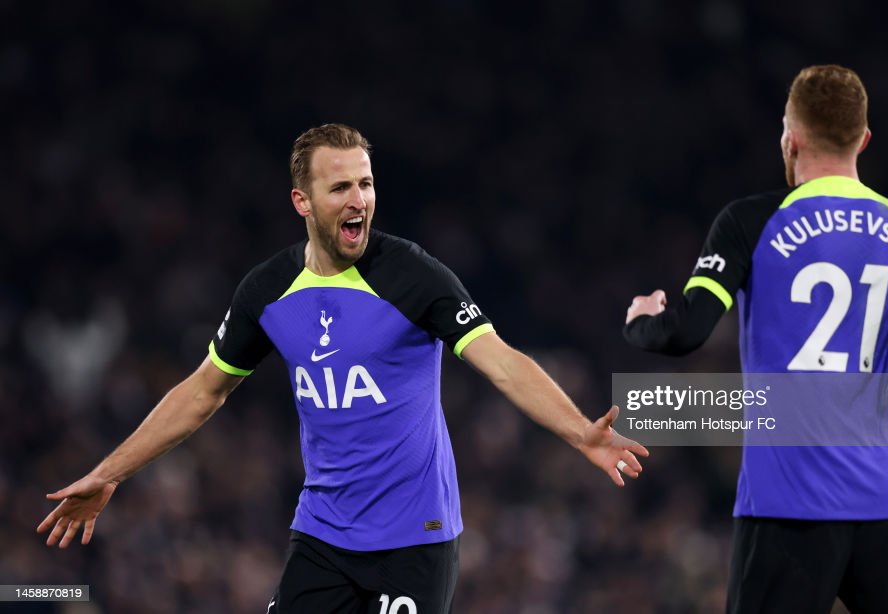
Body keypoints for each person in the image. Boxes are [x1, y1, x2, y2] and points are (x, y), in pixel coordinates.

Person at [38, 123, 650, 613]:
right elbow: (204, 391)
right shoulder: (269, 292)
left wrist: (579, 432)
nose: (360, 200)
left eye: (367, 183)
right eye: (341, 189)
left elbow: (503, 364)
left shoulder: (413, 276)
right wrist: (109, 474)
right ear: (302, 201)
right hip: (324, 535)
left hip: (417, 537)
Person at [624, 65, 888, 613]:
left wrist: (641, 321)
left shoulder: (751, 222)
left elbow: (684, 334)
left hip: (783, 511)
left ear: (789, 138)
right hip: (883, 509)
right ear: (863, 139)